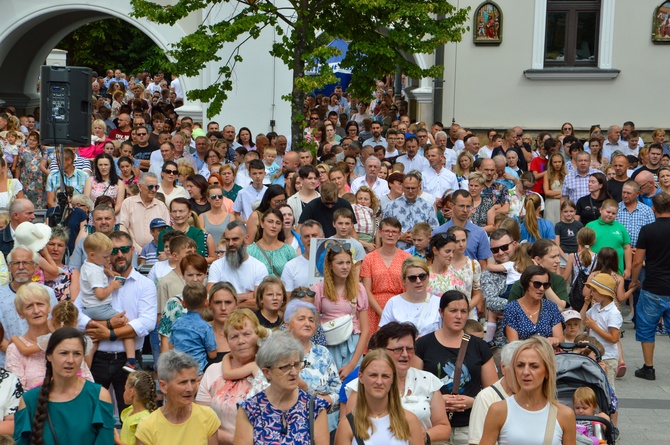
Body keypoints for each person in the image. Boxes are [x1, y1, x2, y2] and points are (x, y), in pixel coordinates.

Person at [76, 231, 157, 411]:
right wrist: (109, 325)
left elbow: (147, 322)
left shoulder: (145, 284)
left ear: (133, 251)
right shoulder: (96, 278)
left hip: (128, 360)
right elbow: (76, 315)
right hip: (97, 359)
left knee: (130, 414)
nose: (120, 254)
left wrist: (109, 333)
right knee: (90, 413)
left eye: (125, 249)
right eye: (115, 250)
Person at [344, 322, 451, 443]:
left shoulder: (428, 381)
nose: (405, 354)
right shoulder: (362, 385)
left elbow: (444, 427)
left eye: (410, 349)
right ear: (381, 349)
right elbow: (351, 428)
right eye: (398, 349)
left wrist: (422, 435)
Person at [413, 290, 497, 445]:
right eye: (453, 311)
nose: (459, 316)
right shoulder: (423, 345)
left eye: (464, 311)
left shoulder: (479, 346)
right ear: (441, 312)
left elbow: (493, 392)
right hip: (434, 425)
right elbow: (413, 388)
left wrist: (474, 401)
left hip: (470, 425)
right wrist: (437, 400)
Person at [13, 327, 115, 445]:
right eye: (64, 353)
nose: (70, 360)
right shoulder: (29, 400)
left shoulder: (99, 396)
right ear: (49, 356)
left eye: (77, 354)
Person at [234, 332, 330, 445]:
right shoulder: (250, 409)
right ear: (267, 372)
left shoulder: (315, 407)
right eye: (285, 367)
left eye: (296, 364)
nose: (294, 372)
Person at [478, 337, 576, 445]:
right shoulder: (498, 410)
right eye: (520, 365)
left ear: (547, 371)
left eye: (534, 366)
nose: (525, 372)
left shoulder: (565, 415)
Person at [196, 309, 269, 444]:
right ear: (227, 340)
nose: (241, 341)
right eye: (234, 336)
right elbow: (201, 420)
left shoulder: (271, 370)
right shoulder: (213, 371)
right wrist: (236, 440)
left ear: (258, 335)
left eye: (247, 334)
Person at [336, 349, 424, 445]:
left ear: (393, 379)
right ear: (360, 377)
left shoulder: (410, 421)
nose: (379, 381)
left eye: (385, 376)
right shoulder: (347, 425)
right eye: (373, 375)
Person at [78, 232, 138, 371]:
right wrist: (112, 286)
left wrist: (108, 272)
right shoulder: (95, 272)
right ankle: (131, 361)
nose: (108, 260)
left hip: (90, 309)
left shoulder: (88, 265)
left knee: (94, 342)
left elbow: (98, 269)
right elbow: (100, 294)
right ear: (92, 255)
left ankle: (85, 368)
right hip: (99, 307)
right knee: (126, 324)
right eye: (106, 257)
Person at [135, 350, 220, 445]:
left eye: (193, 381)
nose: (190, 388)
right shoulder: (147, 426)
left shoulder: (208, 417)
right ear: (163, 386)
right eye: (183, 382)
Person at [282, 299, 341, 433]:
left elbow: (338, 391)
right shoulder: (277, 353)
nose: (307, 323)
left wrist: (323, 400)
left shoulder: (323, 353)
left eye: (311, 320)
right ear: (287, 324)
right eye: (301, 319)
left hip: (320, 426)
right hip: (285, 426)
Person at [312, 243, 369, 380]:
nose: (345, 267)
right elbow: (315, 325)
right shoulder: (318, 289)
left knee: (352, 387)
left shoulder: (359, 289)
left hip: (352, 344)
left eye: (348, 262)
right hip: (328, 343)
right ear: (330, 265)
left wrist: (352, 364)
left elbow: (365, 329)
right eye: (340, 263)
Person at [361, 217, 411, 334]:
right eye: (387, 231)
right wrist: (382, 313)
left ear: (399, 235)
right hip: (374, 309)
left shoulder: (406, 258)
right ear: (379, 233)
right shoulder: (369, 258)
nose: (390, 235)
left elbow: (409, 288)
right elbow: (366, 290)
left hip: (400, 309)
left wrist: (395, 313)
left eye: (394, 232)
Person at [468, 341, 522, 445]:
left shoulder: (535, 395)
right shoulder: (486, 398)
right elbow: (476, 441)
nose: (524, 373)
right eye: (519, 366)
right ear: (503, 368)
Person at [207, 221, 269, 309]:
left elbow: (258, 302)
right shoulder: (217, 265)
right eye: (227, 239)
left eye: (235, 239)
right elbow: (211, 297)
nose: (230, 244)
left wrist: (226, 301)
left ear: (246, 238)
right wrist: (248, 295)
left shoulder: (259, 267)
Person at [6, 284, 53, 390]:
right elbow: (16, 394)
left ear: (49, 307)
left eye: (40, 304)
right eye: (29, 306)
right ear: (21, 313)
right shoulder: (14, 349)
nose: (36, 311)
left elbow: (85, 379)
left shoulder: (63, 340)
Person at [504, 265, 564, 347]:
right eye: (537, 284)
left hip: (547, 355)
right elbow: (513, 344)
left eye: (545, 285)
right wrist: (542, 343)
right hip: (522, 357)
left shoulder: (551, 307)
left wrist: (555, 340)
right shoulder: (512, 308)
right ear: (526, 283)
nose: (542, 288)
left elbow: (560, 339)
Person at [580, 273, 622, 389]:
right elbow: (581, 320)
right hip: (593, 354)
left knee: (607, 388)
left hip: (607, 357)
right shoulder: (595, 307)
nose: (591, 293)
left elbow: (614, 338)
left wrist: (595, 327)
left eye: (594, 290)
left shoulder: (613, 313)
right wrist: (586, 303)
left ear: (603, 292)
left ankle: (611, 407)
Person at [380, 257, 441, 336]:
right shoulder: (393, 303)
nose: (418, 281)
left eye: (422, 276)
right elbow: (382, 336)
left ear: (428, 277)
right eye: (412, 278)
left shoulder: (438, 302)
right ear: (404, 281)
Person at [383, 171, 439, 249]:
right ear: (402, 186)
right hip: (397, 252)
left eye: (413, 188)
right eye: (407, 188)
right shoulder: (392, 206)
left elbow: (434, 231)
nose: (410, 191)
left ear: (419, 186)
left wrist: (419, 239)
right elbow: (384, 230)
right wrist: (401, 237)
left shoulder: (427, 207)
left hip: (421, 253)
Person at [509, 239, 569, 310]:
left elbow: (559, 308)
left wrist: (544, 283)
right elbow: (511, 311)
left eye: (558, 256)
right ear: (537, 260)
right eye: (553, 257)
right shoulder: (520, 284)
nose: (558, 261)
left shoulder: (558, 280)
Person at [120, 172, 171, 251]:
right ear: (140, 187)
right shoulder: (128, 203)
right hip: (133, 251)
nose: (154, 190)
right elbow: (123, 227)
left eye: (156, 187)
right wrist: (138, 249)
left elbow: (166, 232)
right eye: (150, 187)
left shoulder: (162, 206)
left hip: (156, 253)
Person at [586, 199, 631, 277]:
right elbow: (584, 246)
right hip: (594, 270)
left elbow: (627, 248)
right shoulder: (590, 226)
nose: (610, 215)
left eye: (613, 213)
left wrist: (628, 269)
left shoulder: (620, 227)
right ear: (601, 210)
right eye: (608, 212)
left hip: (617, 270)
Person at [248, 209, 297, 277]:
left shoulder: (288, 250)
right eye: (270, 222)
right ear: (262, 224)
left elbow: (294, 275)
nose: (274, 226)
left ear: (281, 227)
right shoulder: (250, 251)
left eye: (278, 223)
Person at [117, 371, 157, 445]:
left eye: (125, 389)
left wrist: (117, 440)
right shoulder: (130, 411)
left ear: (131, 393)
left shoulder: (142, 419)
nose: (124, 392)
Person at [543, 153, 566, 224]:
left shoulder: (567, 175)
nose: (557, 164)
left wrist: (553, 193)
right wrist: (562, 193)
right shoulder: (547, 175)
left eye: (559, 162)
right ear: (551, 163)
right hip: (550, 203)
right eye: (555, 162)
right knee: (550, 224)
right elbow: (547, 192)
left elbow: (568, 193)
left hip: (563, 203)